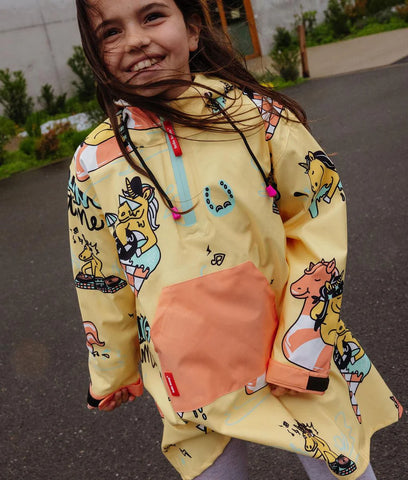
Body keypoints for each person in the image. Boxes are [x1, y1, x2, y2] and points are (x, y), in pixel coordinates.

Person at [68, 1, 403, 479]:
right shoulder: (94, 163)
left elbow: (317, 212)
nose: (136, 40)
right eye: (111, 32)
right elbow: (100, 276)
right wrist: (112, 370)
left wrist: (304, 339)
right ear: (96, 55)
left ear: (193, 30)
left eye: (152, 16)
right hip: (188, 368)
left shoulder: (257, 117)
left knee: (341, 466)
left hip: (286, 342)